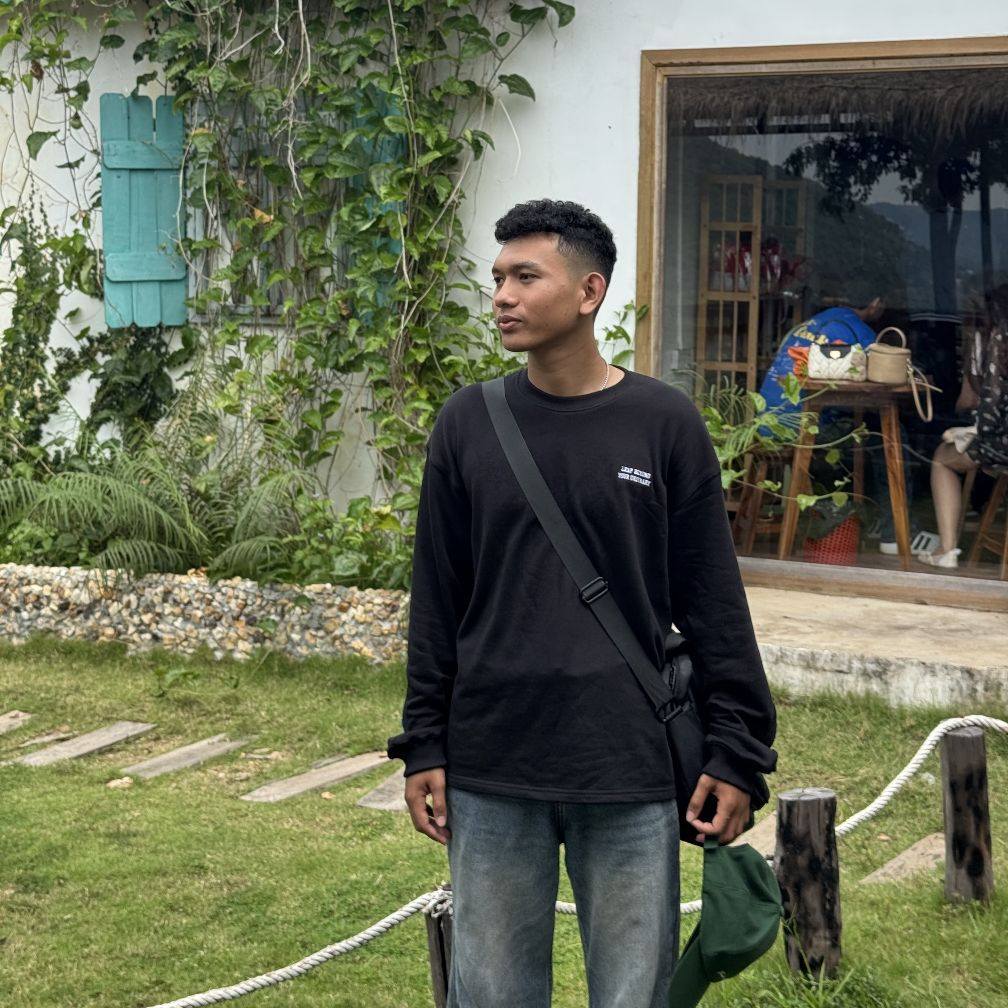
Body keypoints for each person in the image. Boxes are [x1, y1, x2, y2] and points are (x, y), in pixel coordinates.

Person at [386, 199, 778, 1008]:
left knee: (634, 994)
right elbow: (437, 600)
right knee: (492, 994)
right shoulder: (467, 424)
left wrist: (736, 753)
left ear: (589, 292)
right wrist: (423, 743)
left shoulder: (663, 424)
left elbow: (712, 602)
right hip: (493, 758)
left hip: (627, 758)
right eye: (498, 278)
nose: (502, 296)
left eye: (526, 277)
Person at [918, 286, 1008, 569]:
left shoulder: (997, 340)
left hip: (1002, 445)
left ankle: (946, 550)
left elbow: (987, 414)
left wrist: (966, 431)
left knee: (942, 458)